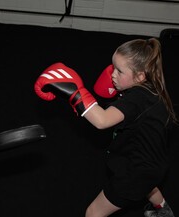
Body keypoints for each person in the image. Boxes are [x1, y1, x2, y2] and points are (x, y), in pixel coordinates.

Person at [34, 38, 177, 217]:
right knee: (148, 184)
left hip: (134, 173)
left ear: (141, 76)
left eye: (119, 71)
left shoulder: (136, 100)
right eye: (113, 67)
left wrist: (76, 94)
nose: (112, 75)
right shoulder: (153, 91)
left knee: (93, 213)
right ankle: (163, 210)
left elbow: (102, 121)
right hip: (154, 164)